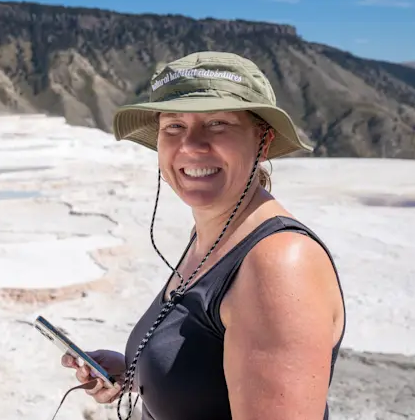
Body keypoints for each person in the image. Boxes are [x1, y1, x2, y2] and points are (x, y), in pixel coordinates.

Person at [60, 51, 346, 420]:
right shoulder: (211, 238)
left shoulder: (278, 261)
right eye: (174, 127)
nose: (191, 146)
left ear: (263, 138)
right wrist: (134, 373)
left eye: (217, 124)